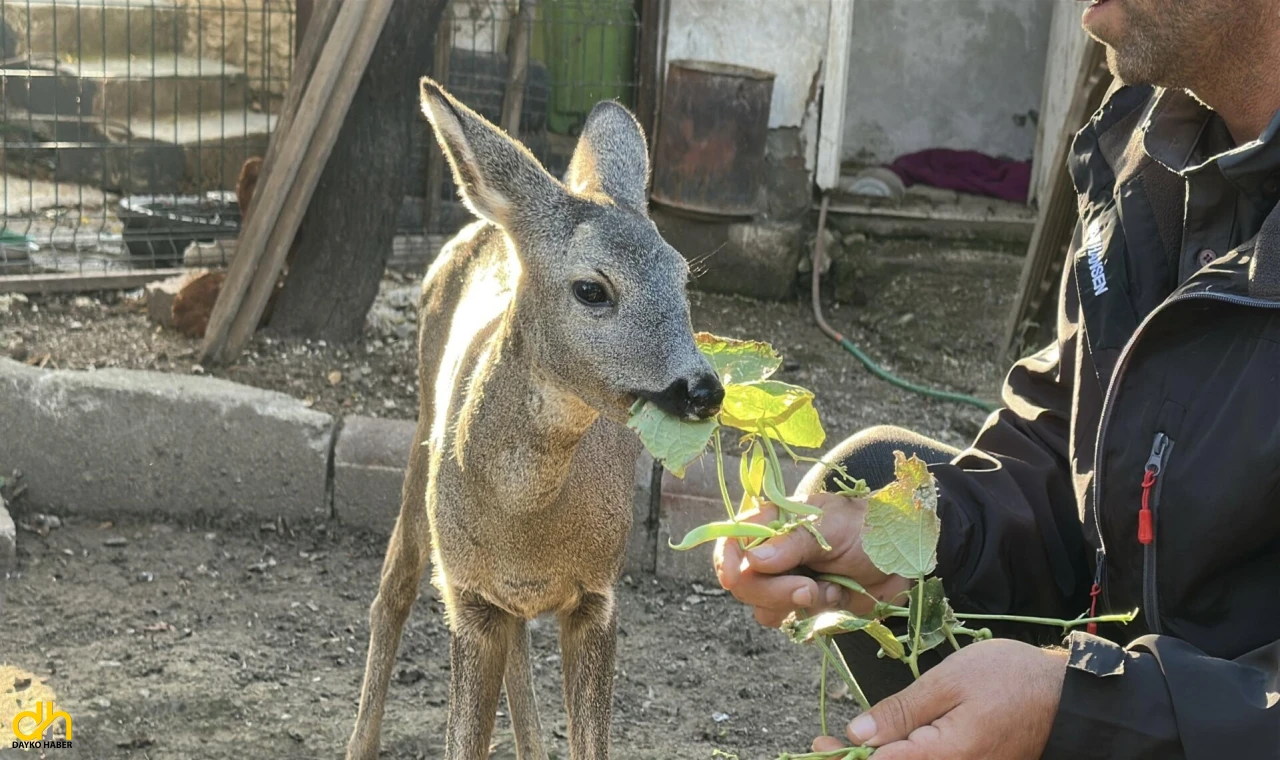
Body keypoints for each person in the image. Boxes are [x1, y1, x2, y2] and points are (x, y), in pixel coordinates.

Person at [714, 2, 1280, 758]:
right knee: (882, 485)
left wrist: (1080, 710)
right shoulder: (1145, 150)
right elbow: (1069, 443)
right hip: (1152, 699)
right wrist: (920, 541)